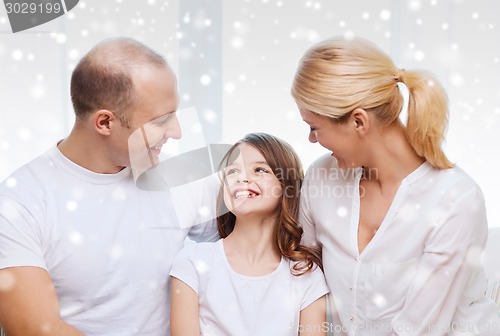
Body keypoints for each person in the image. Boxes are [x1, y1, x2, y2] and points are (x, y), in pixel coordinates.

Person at [0, 37, 218, 336]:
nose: (177, 132)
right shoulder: (20, 203)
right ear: (104, 122)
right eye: (161, 120)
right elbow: (35, 329)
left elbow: (260, 239)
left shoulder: (177, 177)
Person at [291, 36, 500, 335]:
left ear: (359, 122)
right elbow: (305, 279)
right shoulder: (321, 178)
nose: (311, 140)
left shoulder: (456, 200)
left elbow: (419, 329)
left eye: (314, 127)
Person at [169, 133, 330, 335]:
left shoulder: (306, 274)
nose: (242, 178)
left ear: (287, 187)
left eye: (260, 170)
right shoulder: (193, 262)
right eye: (233, 171)